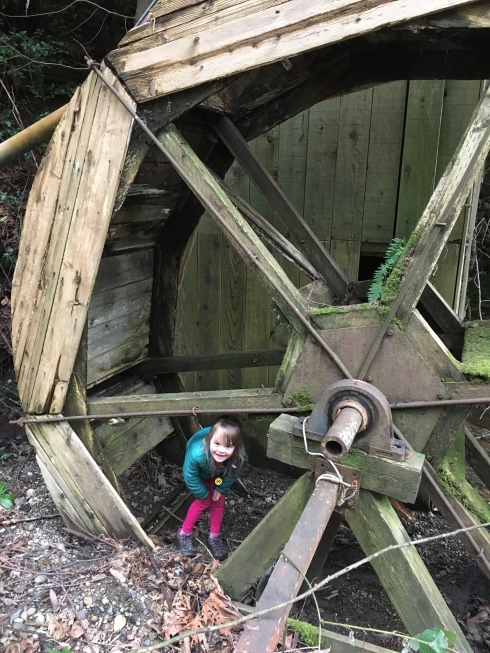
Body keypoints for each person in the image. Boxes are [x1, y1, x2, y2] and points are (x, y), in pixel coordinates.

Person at [175, 415, 245, 560]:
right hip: (202, 473)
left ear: (236, 447)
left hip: (218, 472)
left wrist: (221, 489)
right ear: (209, 440)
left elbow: (231, 473)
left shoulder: (237, 456)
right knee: (204, 501)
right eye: (217, 444)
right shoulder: (197, 454)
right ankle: (183, 534)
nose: (221, 450)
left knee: (219, 501)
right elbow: (190, 476)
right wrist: (202, 493)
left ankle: (214, 536)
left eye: (228, 446)